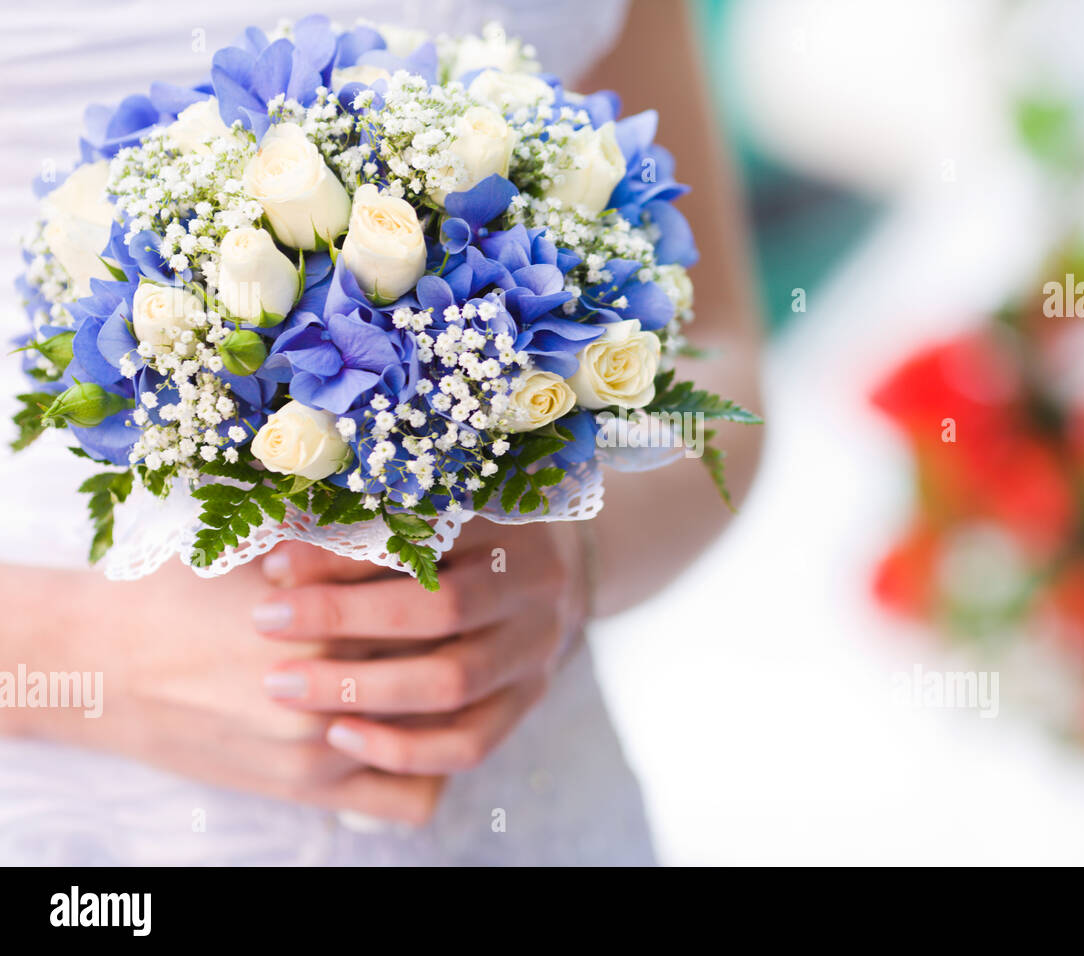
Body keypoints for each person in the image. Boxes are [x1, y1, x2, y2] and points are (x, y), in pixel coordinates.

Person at [0, 0, 761, 865]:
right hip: (83, 812)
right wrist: (80, 660)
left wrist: (569, 570)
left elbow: (718, 356)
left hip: (531, 789)